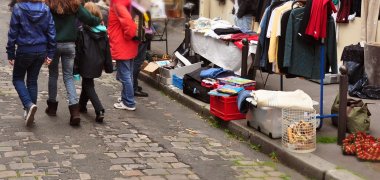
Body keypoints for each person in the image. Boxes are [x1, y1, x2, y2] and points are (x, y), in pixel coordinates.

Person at [45, 0, 101, 126]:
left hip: (53, 45)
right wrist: (98, 21)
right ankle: (74, 111)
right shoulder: (74, 5)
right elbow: (90, 19)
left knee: (53, 75)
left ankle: (52, 107)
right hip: (70, 45)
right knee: (68, 77)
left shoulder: (49, 4)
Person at [6, 0, 56, 126]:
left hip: (24, 49)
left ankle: (29, 105)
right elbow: (51, 31)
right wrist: (50, 53)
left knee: (17, 78)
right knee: (32, 80)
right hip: (41, 50)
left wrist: (11, 52)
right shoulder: (45, 8)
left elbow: (13, 32)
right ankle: (30, 112)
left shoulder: (18, 8)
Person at [74, 2, 113, 123]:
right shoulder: (103, 32)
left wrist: (75, 69)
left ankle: (99, 110)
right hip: (97, 64)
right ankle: (82, 106)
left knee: (88, 85)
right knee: (88, 83)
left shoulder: (82, 32)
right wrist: (108, 66)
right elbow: (107, 51)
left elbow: (78, 52)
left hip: (85, 62)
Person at [108, 0, 139, 111]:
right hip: (128, 44)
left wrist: (128, 36)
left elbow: (129, 25)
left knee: (125, 75)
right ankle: (126, 99)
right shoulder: (126, 2)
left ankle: (129, 102)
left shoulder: (118, 3)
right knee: (128, 74)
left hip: (122, 44)